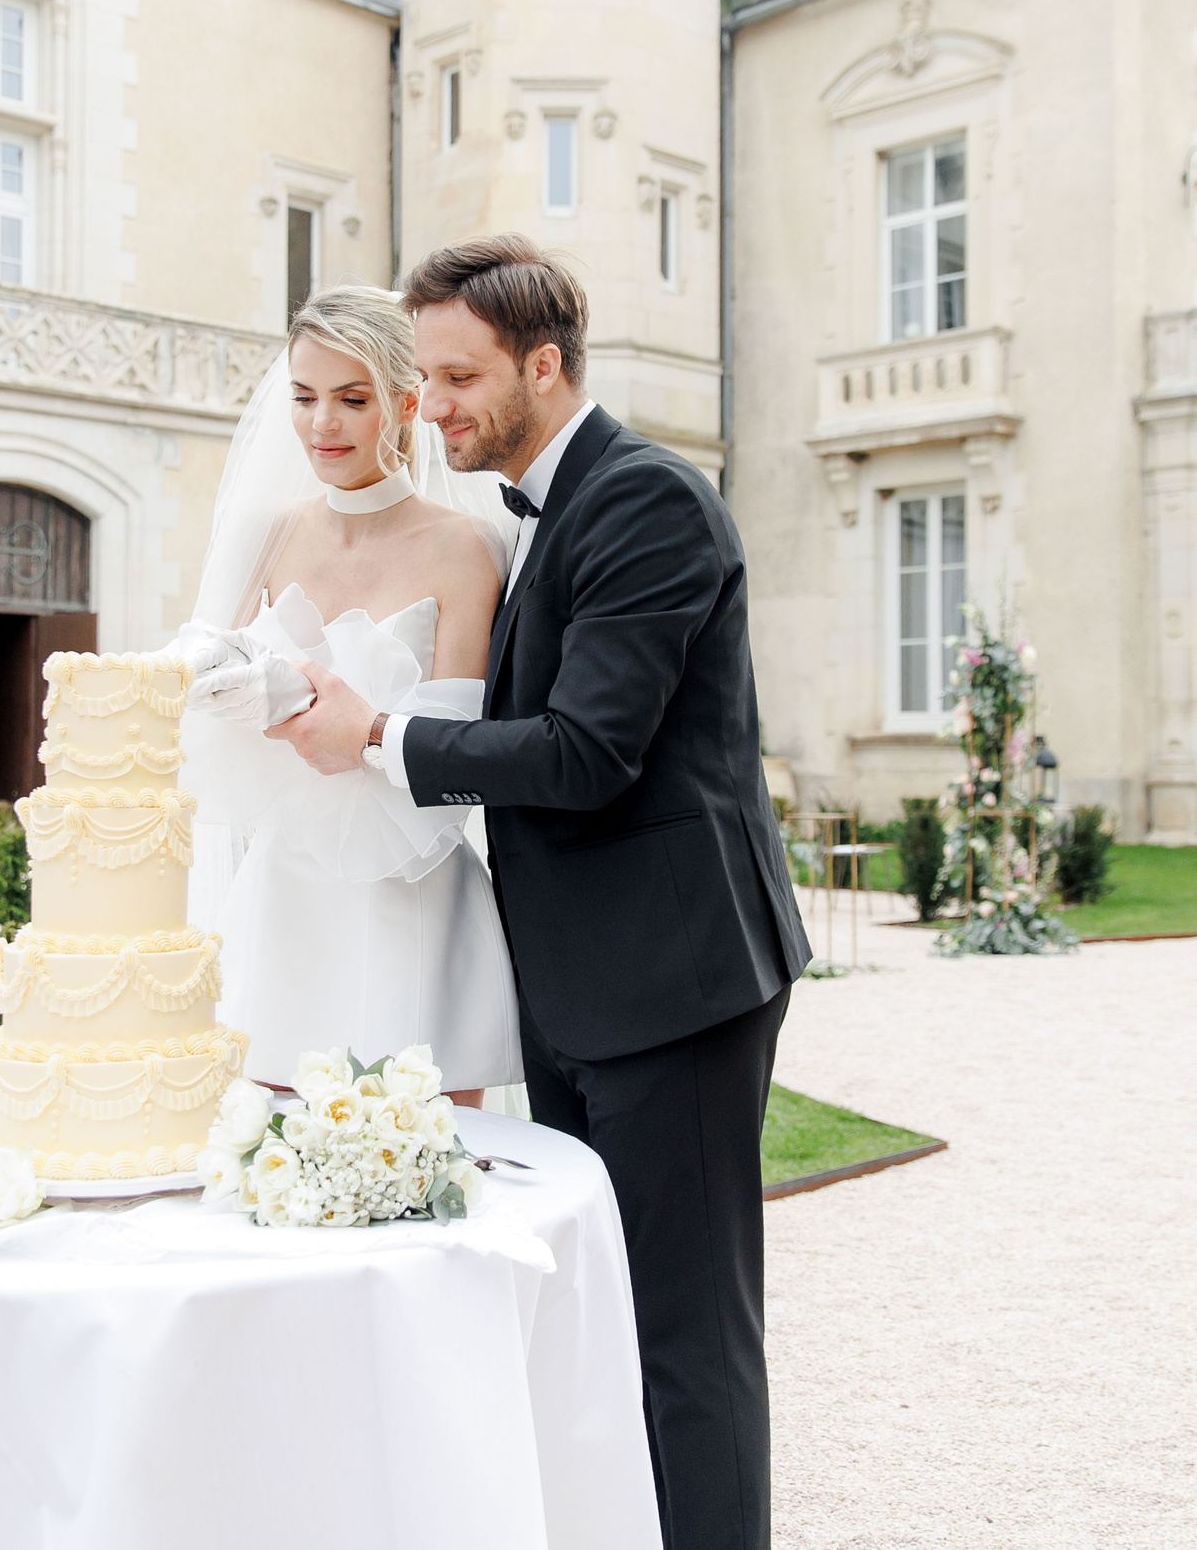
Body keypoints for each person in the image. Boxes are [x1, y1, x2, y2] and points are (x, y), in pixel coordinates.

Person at [268, 236, 809, 1550]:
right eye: (427, 374)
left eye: (456, 376)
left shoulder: (648, 504)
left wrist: (379, 738)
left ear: (545, 364)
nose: (429, 404)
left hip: (674, 980)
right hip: (578, 977)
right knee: (601, 1314)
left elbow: (584, 750)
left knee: (685, 1337)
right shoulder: (544, 511)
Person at [172, 285, 523, 1103]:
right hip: (284, 894)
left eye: (351, 399)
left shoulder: (468, 548)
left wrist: (320, 709)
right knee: (270, 1145)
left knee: (428, 1153)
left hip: (412, 891)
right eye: (304, 397)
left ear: (404, 405)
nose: (321, 424)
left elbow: (456, 755)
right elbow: (199, 703)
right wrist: (235, 691)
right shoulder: (268, 534)